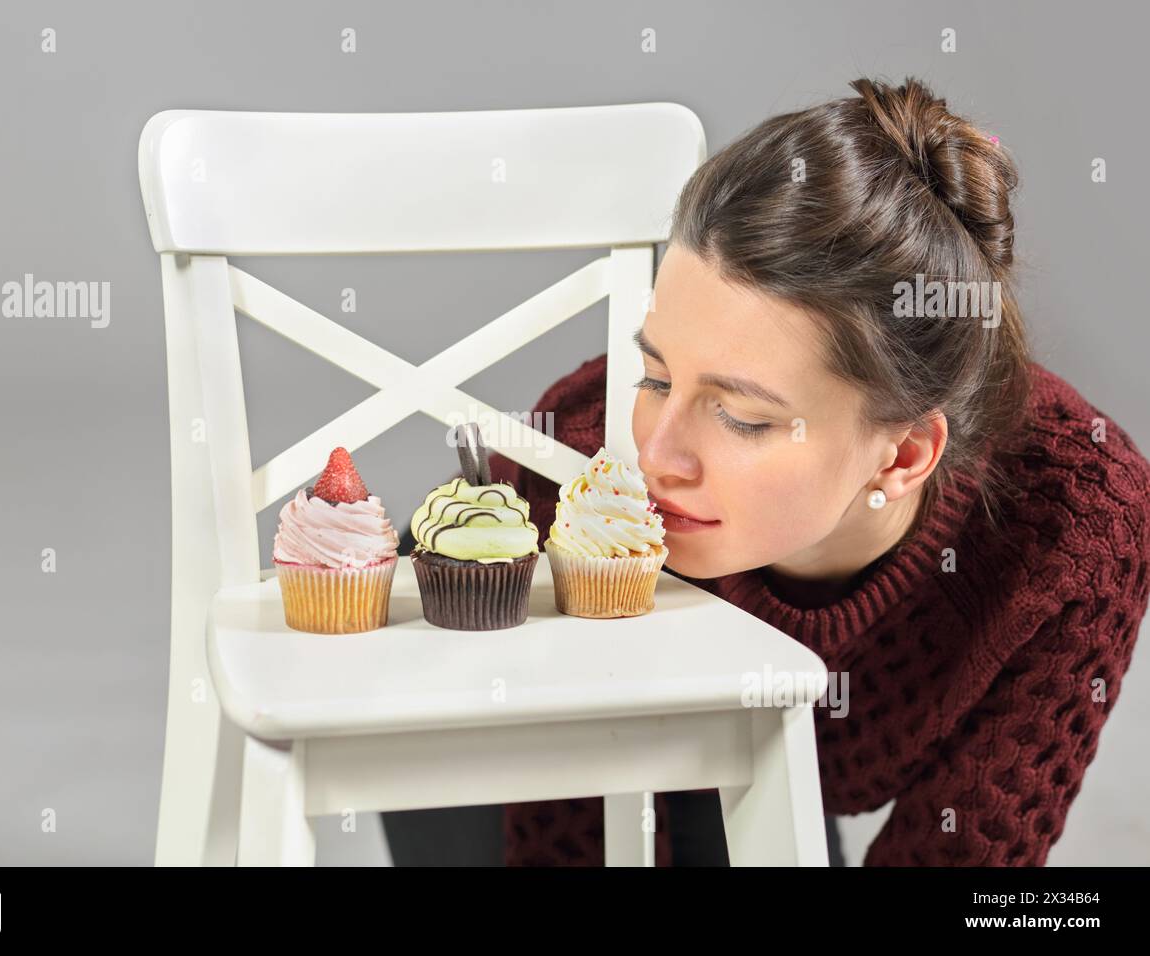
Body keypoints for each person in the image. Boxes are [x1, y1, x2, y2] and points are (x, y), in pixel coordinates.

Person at [481, 76, 1149, 867]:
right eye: (656, 376)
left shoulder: (1076, 520)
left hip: (777, 771)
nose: (654, 455)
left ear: (902, 456)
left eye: (743, 417)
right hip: (561, 777)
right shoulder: (566, 468)